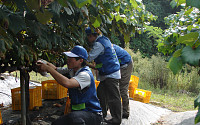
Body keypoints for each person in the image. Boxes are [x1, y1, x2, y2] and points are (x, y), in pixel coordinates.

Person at [36, 45, 103, 125]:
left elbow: (67, 83)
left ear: (81, 60)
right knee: (56, 123)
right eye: (68, 58)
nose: (68, 60)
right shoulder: (72, 70)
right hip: (78, 114)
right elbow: (56, 70)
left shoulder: (85, 75)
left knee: (74, 118)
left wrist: (48, 69)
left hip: (92, 114)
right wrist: (45, 63)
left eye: (71, 58)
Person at [85, 27, 122, 125]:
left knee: (114, 97)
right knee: (101, 93)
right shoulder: (105, 39)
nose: (88, 39)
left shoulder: (98, 44)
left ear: (92, 36)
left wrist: (81, 58)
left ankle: (117, 119)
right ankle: (102, 114)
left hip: (111, 73)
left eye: (88, 37)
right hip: (108, 72)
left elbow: (89, 57)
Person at [113, 44, 133, 119]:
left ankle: (125, 111)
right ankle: (115, 109)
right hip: (119, 66)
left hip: (126, 64)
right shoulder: (105, 46)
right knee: (113, 86)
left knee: (122, 89)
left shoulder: (109, 50)